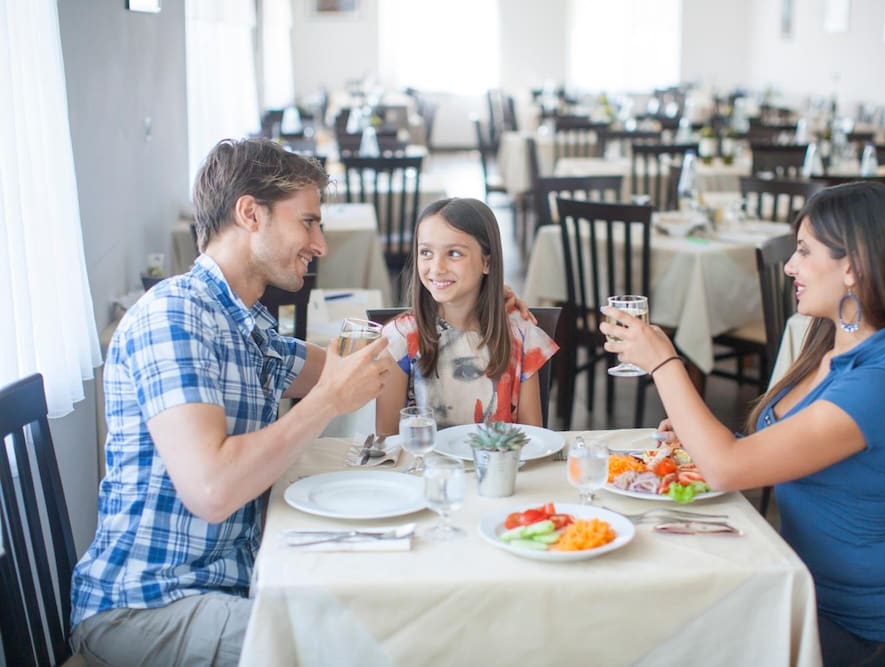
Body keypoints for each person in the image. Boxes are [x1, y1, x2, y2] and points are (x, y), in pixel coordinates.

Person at [69, 138, 391, 666]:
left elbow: (349, 367)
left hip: (227, 584)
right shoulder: (174, 315)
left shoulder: (248, 328)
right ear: (250, 213)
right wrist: (329, 400)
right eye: (308, 222)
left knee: (373, 611)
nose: (320, 245)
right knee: (344, 649)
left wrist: (467, 307)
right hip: (147, 604)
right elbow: (212, 490)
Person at [600, 182, 885, 666]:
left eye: (804, 251)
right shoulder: (829, 345)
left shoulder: (878, 383)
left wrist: (664, 362)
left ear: (853, 266)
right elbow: (759, 451)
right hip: (793, 587)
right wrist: (699, 438)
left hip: (856, 631)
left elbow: (727, 468)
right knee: (652, 619)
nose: (790, 266)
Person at [376, 197, 558, 433]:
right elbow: (388, 440)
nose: (437, 267)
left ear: (487, 262)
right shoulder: (400, 338)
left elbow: (533, 436)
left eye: (454, 253)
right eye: (426, 252)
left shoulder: (520, 334)